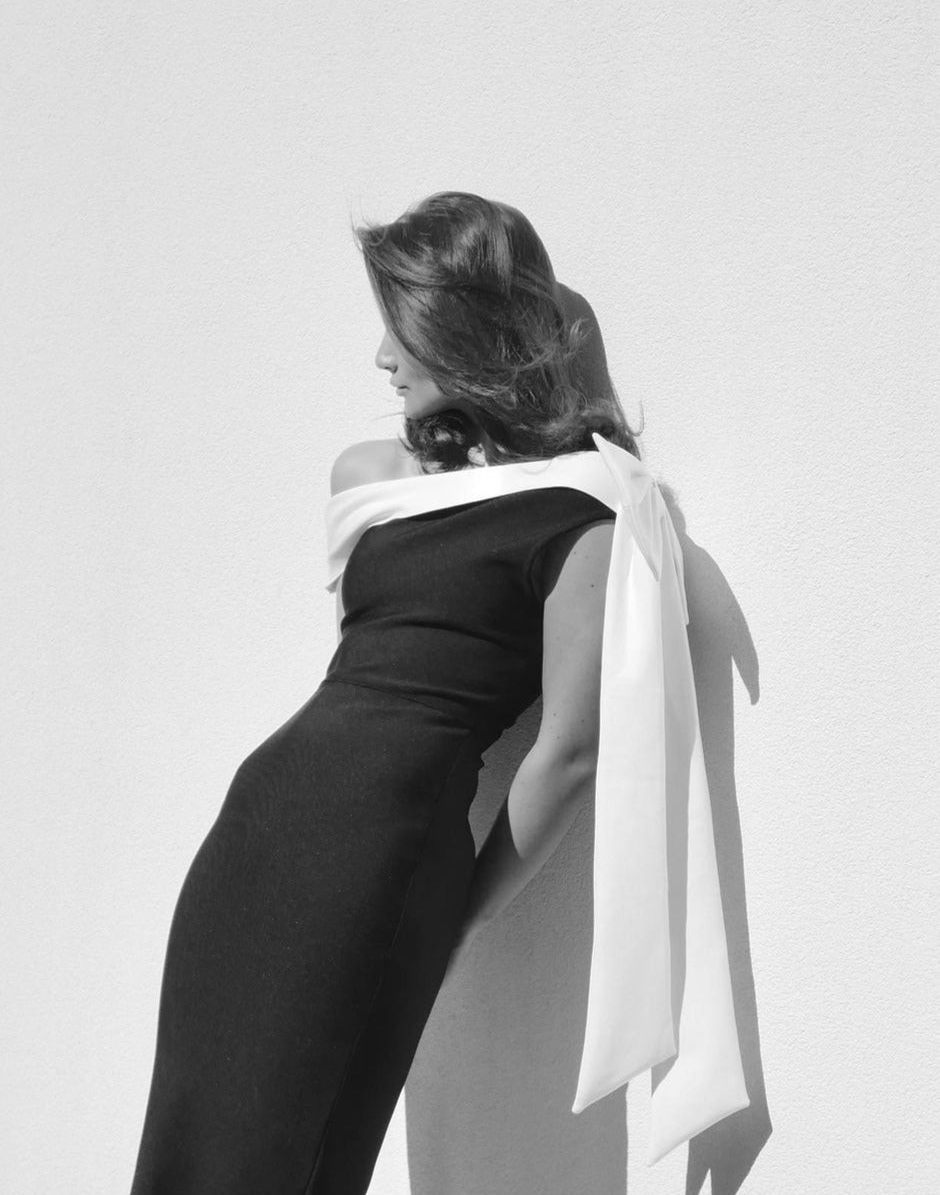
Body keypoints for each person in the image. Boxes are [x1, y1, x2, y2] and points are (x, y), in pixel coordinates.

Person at [130, 191, 747, 1194]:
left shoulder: (585, 514)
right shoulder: (370, 476)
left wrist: (461, 911)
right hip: (260, 829)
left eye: (401, 328)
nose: (382, 358)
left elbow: (572, 751)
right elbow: (367, 674)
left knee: (287, 1152)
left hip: (383, 850)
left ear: (460, 330)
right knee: (202, 1142)